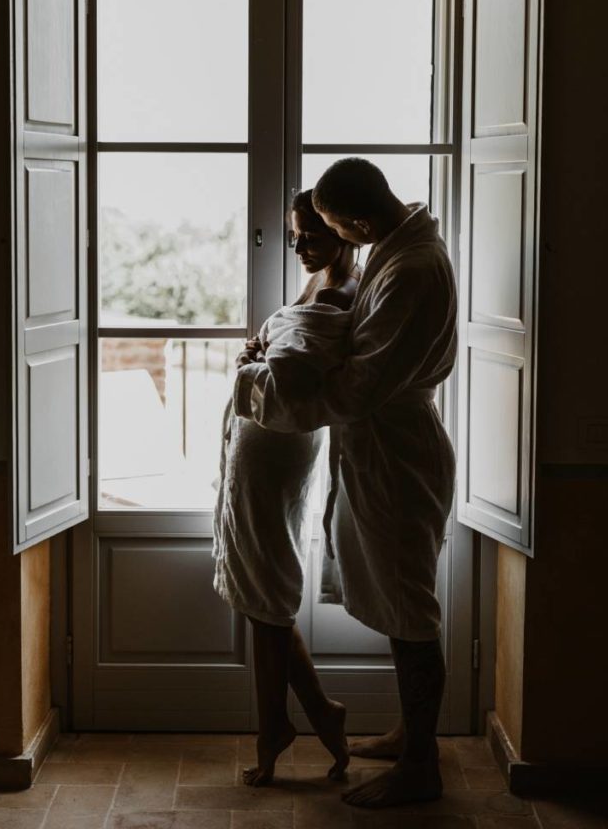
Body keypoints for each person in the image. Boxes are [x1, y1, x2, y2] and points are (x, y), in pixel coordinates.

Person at [234, 158, 457, 808]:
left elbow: (357, 387)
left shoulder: (410, 269)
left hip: (398, 453)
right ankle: (408, 734)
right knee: (399, 600)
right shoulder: (396, 244)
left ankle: (421, 764)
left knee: (412, 609)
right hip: (382, 448)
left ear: (357, 221)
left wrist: (254, 380)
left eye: (330, 227)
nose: (325, 240)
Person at [213, 190, 360, 787]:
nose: (299, 246)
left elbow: (293, 376)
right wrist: (260, 354)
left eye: (312, 236)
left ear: (346, 232)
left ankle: (296, 722)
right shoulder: (321, 281)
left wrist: (253, 362)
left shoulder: (337, 293)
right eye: (295, 235)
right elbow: (283, 361)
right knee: (260, 598)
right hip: (265, 441)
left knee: (266, 595)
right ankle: (302, 719)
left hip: (277, 447)